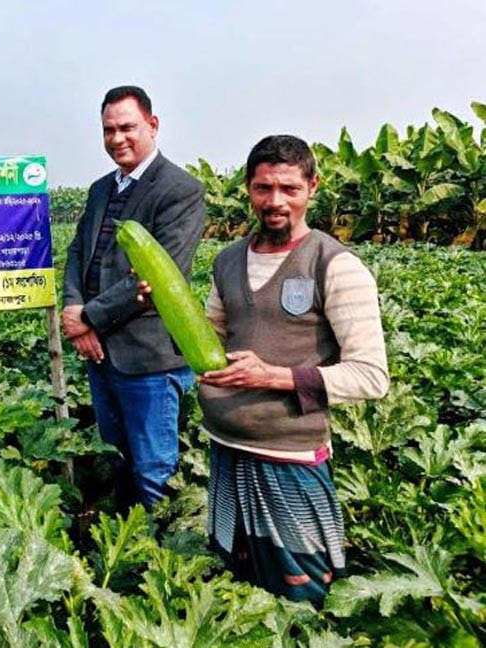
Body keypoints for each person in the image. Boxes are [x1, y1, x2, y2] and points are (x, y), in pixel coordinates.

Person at [142, 135, 389, 604]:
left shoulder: (336, 265)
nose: (275, 202)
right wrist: (163, 305)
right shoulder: (228, 260)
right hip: (225, 450)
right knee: (240, 581)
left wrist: (271, 376)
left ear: (312, 187)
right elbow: (208, 342)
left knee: (300, 591)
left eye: (289, 189)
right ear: (248, 189)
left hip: (290, 458)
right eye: (262, 188)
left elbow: (371, 375)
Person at [62, 85, 205, 509]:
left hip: (149, 359)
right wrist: (73, 309)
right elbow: (77, 253)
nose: (117, 139)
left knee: (153, 470)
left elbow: (158, 278)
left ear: (153, 125)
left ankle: (163, 562)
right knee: (117, 460)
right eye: (108, 130)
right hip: (102, 353)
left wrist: (89, 317)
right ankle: (125, 549)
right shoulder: (101, 189)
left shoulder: (179, 190)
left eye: (127, 127)